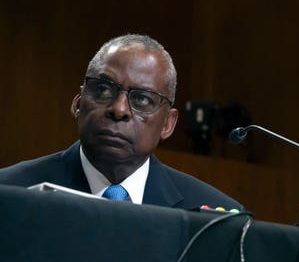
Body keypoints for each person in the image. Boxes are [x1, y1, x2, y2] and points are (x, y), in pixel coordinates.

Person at [0, 34, 242, 211]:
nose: (119, 109)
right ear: (77, 102)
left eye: (142, 99)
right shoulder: (9, 192)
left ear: (168, 124)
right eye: (103, 89)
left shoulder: (213, 217)